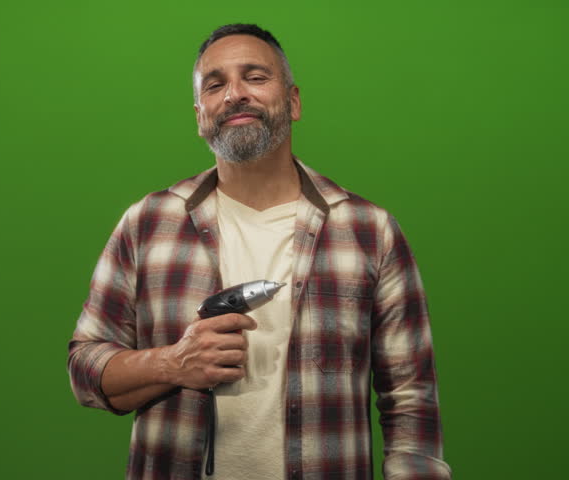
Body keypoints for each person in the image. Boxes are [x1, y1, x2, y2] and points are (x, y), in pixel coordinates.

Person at [67, 23, 451, 480]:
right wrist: (173, 362)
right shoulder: (147, 223)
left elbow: (411, 399)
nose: (234, 94)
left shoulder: (370, 231)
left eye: (255, 77)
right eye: (216, 84)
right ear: (200, 115)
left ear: (293, 102)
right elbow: (84, 369)